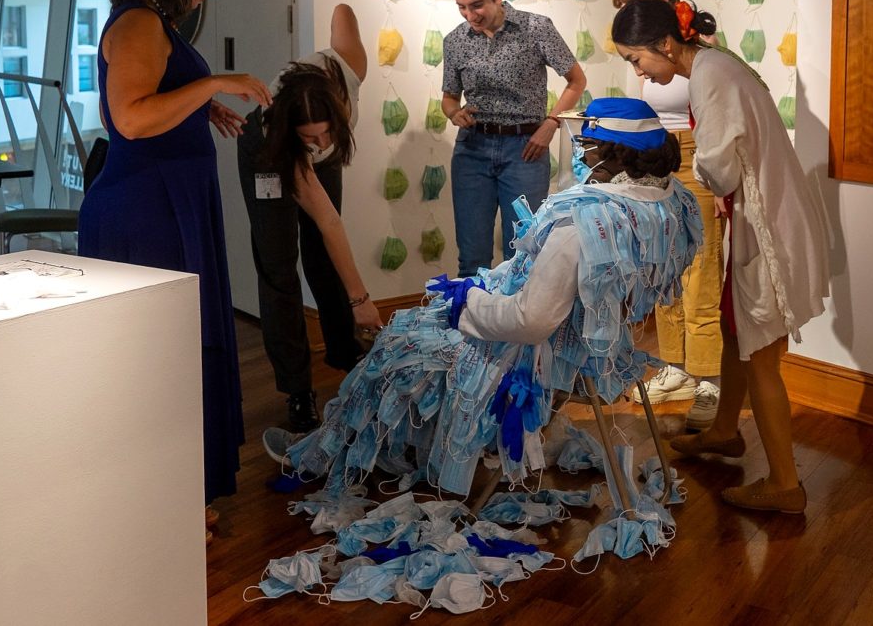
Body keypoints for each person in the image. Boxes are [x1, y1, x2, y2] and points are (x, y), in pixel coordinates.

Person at [263, 98, 702, 500]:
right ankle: (405, 447)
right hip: (599, 342)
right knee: (415, 329)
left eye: (586, 144)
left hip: (542, 354)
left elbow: (532, 321)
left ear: (613, 152)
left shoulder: (581, 221)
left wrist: (466, 305)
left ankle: (324, 453)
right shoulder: (672, 201)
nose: (580, 152)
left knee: (396, 343)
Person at [77, 0, 272, 534]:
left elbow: (156, 97)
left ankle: (179, 488)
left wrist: (199, 105)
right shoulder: (137, 21)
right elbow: (130, 120)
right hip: (147, 208)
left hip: (170, 199)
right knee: (159, 353)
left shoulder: (154, 22)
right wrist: (215, 80)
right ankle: (158, 492)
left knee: (179, 347)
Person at [612, 0, 829, 514]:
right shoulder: (716, 62)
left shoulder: (709, 76)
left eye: (636, 59)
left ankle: (785, 485)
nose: (637, 70)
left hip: (768, 225)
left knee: (763, 358)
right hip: (762, 217)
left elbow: (721, 171)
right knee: (737, 331)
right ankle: (726, 430)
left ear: (666, 44)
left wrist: (691, 180)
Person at [237, 3, 383, 433]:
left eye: (326, 134)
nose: (320, 143)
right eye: (312, 138)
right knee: (278, 263)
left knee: (323, 256)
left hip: (307, 129)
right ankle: (297, 389)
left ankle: (345, 351)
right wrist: (363, 300)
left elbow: (341, 12)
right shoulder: (277, 133)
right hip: (269, 153)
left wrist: (356, 302)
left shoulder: (348, 67)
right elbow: (329, 220)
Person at [612, 0, 725, 431]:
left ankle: (710, 380)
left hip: (698, 156)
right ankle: (676, 368)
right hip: (659, 152)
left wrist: (720, 183)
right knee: (664, 266)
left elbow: (714, 111)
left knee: (700, 271)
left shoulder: (702, 47)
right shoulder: (647, 50)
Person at [442, 0, 587, 277]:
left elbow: (577, 81)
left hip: (525, 148)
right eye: (461, 7)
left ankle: (517, 327)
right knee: (471, 256)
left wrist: (551, 124)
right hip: (472, 149)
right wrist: (454, 114)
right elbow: (449, 98)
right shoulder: (455, 41)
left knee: (522, 253)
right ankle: (474, 326)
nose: (469, 15)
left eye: (476, 5)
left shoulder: (537, 28)